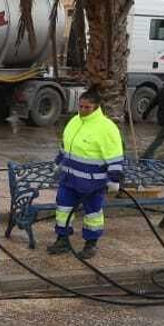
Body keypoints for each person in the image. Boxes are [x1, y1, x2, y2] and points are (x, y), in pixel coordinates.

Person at [47, 89, 123, 260]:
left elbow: (115, 156)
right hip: (69, 180)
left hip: (92, 184)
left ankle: (91, 244)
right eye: (80, 106)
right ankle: (63, 240)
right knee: (63, 210)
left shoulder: (106, 128)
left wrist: (114, 179)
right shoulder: (74, 121)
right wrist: (57, 163)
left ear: (96, 107)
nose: (82, 110)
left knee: (93, 214)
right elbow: (65, 146)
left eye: (87, 107)